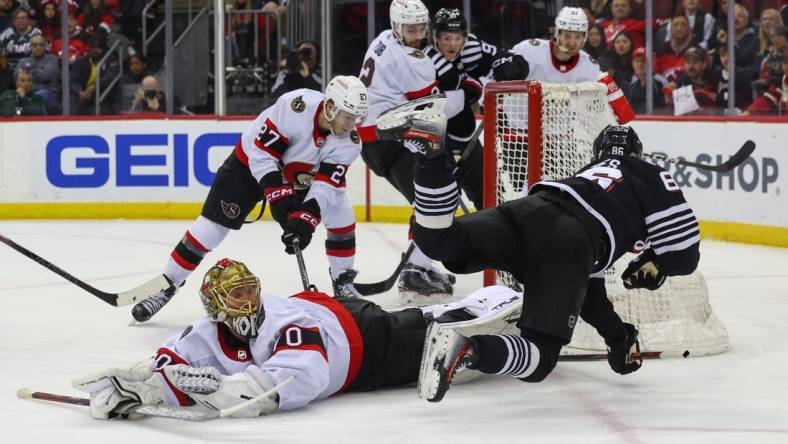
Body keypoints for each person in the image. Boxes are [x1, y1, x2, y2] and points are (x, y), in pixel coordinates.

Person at [372, 97, 700, 402]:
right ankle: (466, 348)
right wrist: (656, 262)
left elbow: (590, 296)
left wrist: (618, 338)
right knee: (540, 356)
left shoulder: (587, 175)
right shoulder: (651, 173)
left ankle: (431, 156)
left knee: (443, 240)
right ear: (637, 155)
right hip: (572, 239)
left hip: (529, 210)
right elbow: (684, 255)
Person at [71, 257, 523, 419]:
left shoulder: (283, 324)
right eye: (236, 295)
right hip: (336, 316)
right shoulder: (206, 332)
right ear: (215, 306)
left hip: (365, 346)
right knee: (411, 322)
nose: (248, 301)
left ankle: (498, 320)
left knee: (434, 342)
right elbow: (168, 359)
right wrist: (131, 386)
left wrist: (222, 390)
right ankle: (438, 313)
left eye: (250, 290)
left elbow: (295, 381)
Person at [130, 76, 371, 323]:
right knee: (212, 226)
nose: (353, 124)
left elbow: (326, 185)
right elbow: (263, 155)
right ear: (330, 107)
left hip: (299, 176)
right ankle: (167, 283)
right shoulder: (294, 107)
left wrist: (306, 219)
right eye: (348, 116)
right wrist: (279, 200)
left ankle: (343, 281)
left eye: (357, 118)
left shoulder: (349, 143)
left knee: (341, 213)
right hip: (249, 163)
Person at [357, 0, 462, 304]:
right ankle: (415, 273)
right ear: (396, 26)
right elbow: (434, 108)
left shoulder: (382, 40)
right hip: (394, 138)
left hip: (377, 140)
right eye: (410, 29)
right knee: (436, 202)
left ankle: (422, 266)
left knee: (431, 200)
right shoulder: (415, 61)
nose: (416, 35)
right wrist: (467, 95)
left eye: (420, 28)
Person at [424, 8, 484, 210]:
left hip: (467, 139)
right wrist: (467, 91)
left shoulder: (467, 57)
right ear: (435, 38)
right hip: (435, 141)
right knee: (440, 203)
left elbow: (477, 87)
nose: (452, 44)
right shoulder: (422, 62)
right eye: (446, 38)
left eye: (458, 38)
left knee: (489, 193)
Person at [662, 46, 716, 113]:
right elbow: (667, 89)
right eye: (688, 62)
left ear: (704, 65)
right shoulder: (683, 80)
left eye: (695, 62)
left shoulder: (713, 79)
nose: (691, 66)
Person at [15, 34, 59, 114]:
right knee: (11, 98)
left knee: (38, 97)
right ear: (30, 46)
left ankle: (42, 124)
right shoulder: (23, 61)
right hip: (26, 94)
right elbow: (16, 77)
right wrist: (38, 70)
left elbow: (45, 76)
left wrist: (27, 71)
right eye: (35, 45)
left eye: (41, 44)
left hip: (49, 94)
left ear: (45, 46)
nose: (38, 47)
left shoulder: (52, 59)